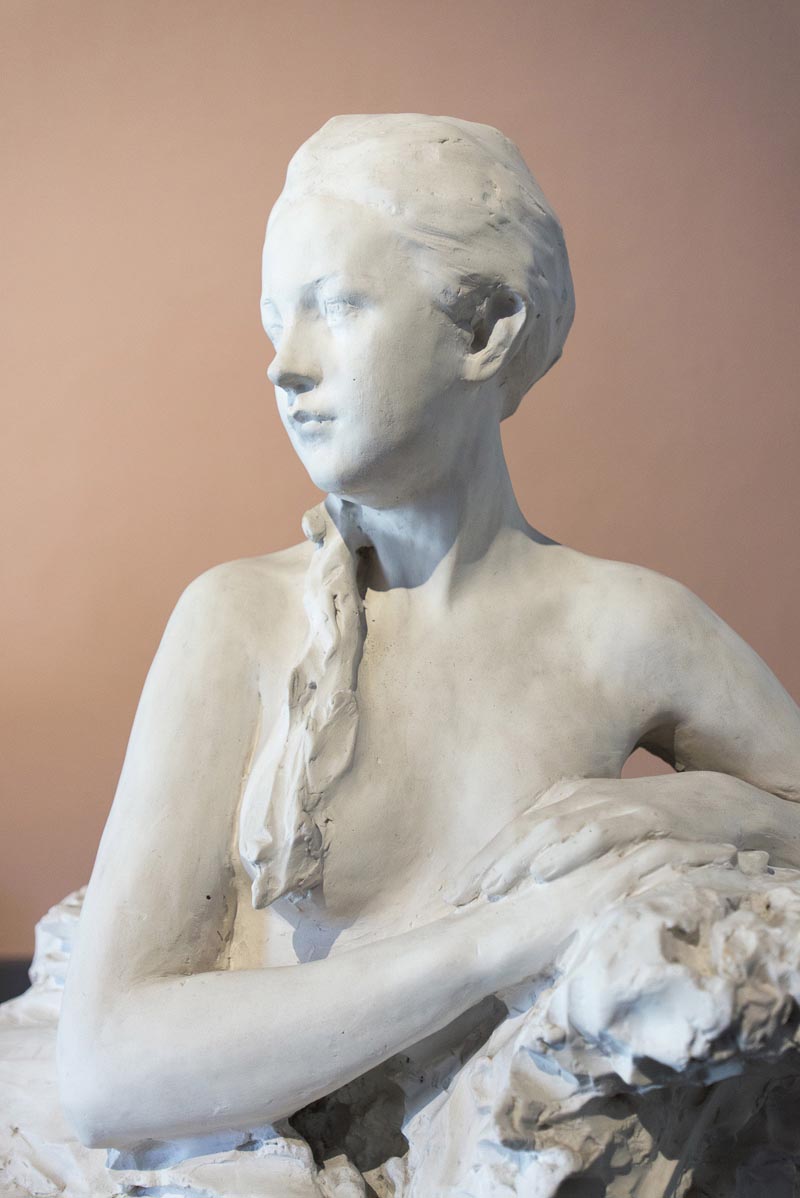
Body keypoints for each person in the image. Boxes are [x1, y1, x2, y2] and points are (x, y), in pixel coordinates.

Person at [54, 114, 800, 1194]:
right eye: (273, 317)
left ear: (484, 328)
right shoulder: (238, 623)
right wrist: (512, 935)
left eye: (335, 306)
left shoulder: (630, 627)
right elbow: (107, 1068)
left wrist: (701, 809)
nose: (282, 364)